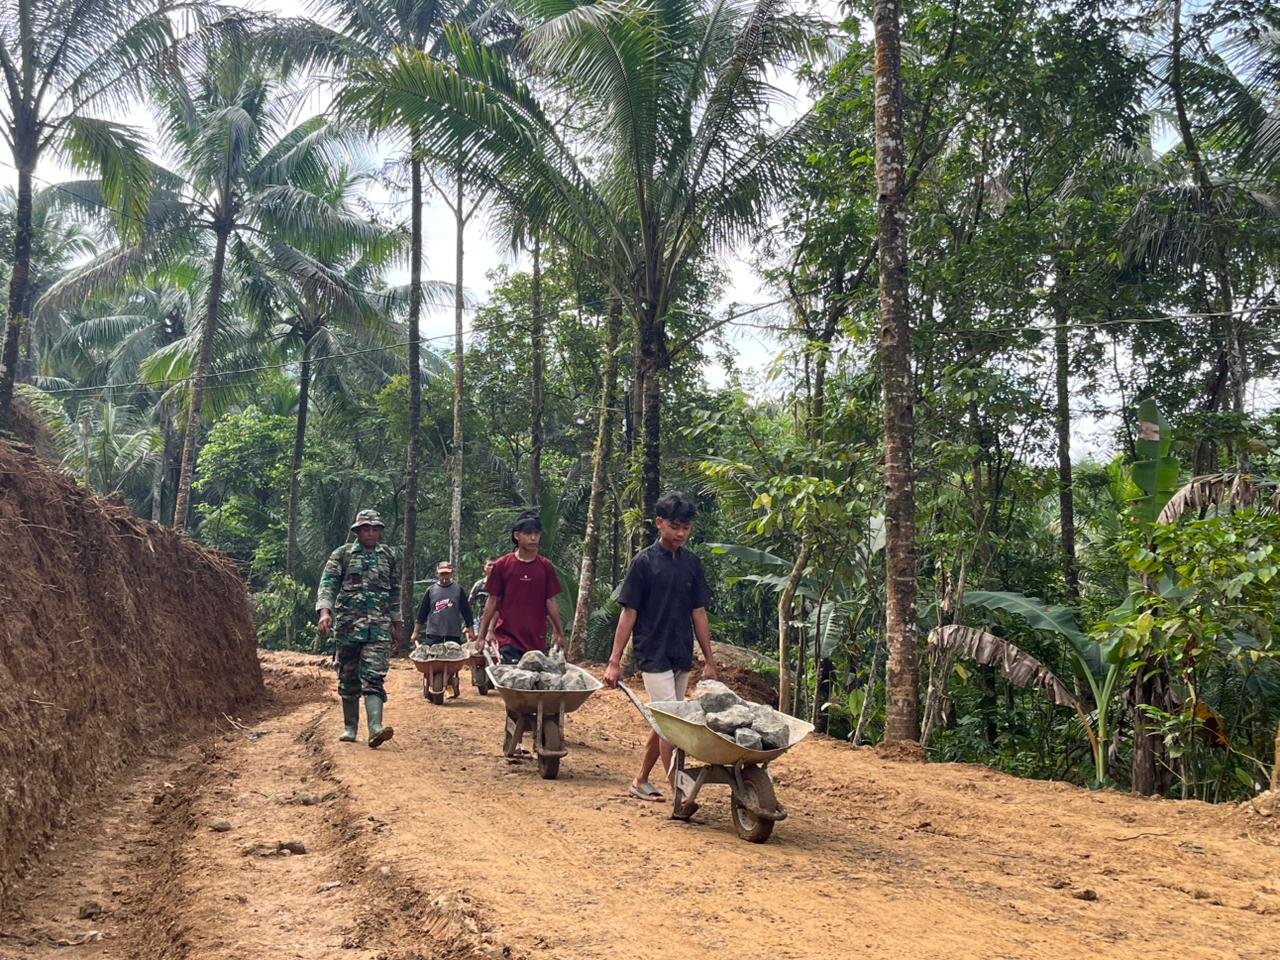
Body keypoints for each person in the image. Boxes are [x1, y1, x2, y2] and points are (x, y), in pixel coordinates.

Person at [603, 492, 718, 802]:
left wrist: (709, 661)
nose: (680, 534)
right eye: (674, 526)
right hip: (652, 653)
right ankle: (679, 793)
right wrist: (614, 661)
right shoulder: (644, 563)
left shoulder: (692, 564)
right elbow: (629, 613)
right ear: (659, 523)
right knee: (672, 724)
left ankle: (641, 779)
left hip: (680, 651)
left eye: (686, 528)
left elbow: (699, 613)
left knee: (666, 721)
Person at [316, 509, 402, 748]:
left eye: (375, 529)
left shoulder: (388, 556)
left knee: (374, 676)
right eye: (366, 529)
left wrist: (397, 624)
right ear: (357, 531)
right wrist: (325, 613)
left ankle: (375, 728)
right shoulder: (342, 555)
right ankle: (350, 727)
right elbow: (327, 585)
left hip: (379, 628)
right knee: (348, 676)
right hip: (348, 627)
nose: (370, 533)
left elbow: (395, 592)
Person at [477, 511, 565, 663]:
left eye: (537, 534)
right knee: (514, 675)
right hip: (508, 639)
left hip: (536, 639)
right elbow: (492, 601)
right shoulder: (502, 565)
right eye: (528, 533)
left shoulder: (546, 567)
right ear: (517, 535)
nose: (533, 538)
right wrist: (482, 635)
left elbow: (551, 602)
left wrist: (559, 633)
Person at [411, 560, 477, 697]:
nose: (444, 577)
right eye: (442, 574)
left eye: (447, 574)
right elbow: (422, 613)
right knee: (432, 661)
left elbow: (466, 612)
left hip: (453, 632)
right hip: (434, 633)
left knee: (452, 661)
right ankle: (430, 681)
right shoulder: (431, 591)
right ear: (437, 574)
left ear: (451, 573)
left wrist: (470, 630)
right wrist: (416, 632)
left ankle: (450, 682)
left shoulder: (458, 590)